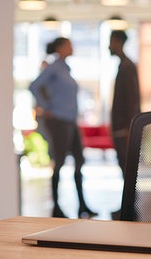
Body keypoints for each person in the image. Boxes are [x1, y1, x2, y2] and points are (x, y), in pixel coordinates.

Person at [29, 37, 97, 219]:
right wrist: (46, 107)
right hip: (59, 120)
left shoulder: (66, 69)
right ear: (60, 48)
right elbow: (35, 86)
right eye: (69, 45)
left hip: (71, 121)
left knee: (79, 161)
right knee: (59, 162)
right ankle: (56, 208)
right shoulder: (54, 67)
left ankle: (83, 205)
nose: (72, 47)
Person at [108, 30, 141, 177]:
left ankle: (129, 200)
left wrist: (129, 128)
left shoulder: (127, 67)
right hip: (123, 128)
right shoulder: (124, 66)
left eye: (111, 42)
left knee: (127, 166)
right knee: (125, 166)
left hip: (124, 129)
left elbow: (132, 99)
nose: (109, 46)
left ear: (118, 42)